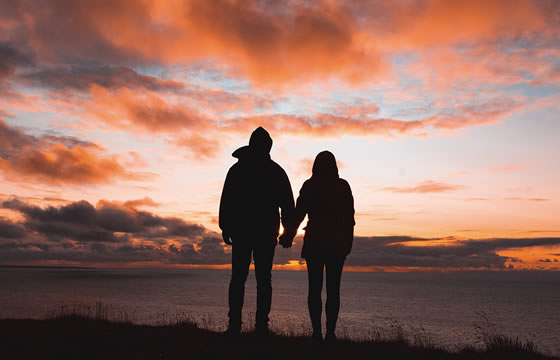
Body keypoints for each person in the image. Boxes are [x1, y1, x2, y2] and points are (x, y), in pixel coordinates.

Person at [219, 126, 295, 336]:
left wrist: (226, 225)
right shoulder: (275, 171)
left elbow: (227, 200)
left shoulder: (238, 170)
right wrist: (288, 232)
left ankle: (237, 326)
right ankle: (259, 326)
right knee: (262, 280)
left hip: (245, 231)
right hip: (262, 232)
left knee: (240, 278)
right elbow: (287, 204)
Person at [280, 151, 355, 342]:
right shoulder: (343, 186)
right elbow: (350, 220)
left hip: (315, 243)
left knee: (314, 289)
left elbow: (298, 214)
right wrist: (348, 243)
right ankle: (330, 333)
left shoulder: (310, 185)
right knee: (333, 290)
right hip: (337, 244)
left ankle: (316, 333)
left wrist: (288, 235)